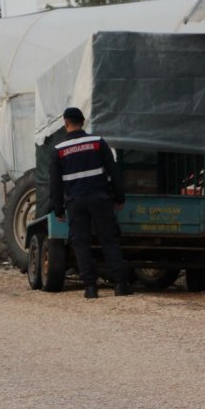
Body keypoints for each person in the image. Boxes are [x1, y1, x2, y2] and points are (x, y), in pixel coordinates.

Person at [49, 107, 131, 298]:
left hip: (75, 202)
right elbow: (114, 172)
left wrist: (58, 209)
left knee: (81, 243)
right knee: (109, 239)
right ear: (83, 122)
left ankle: (90, 288)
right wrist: (119, 197)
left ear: (66, 123)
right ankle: (119, 285)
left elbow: (55, 184)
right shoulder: (97, 143)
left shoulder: (58, 151)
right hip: (100, 199)